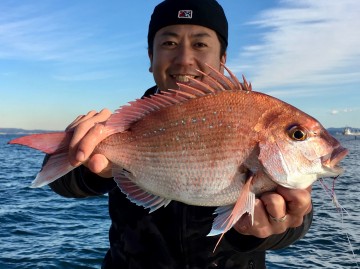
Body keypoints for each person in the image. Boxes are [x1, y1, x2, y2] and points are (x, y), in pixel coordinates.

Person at [49, 0, 313, 268]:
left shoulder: (255, 119)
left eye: (200, 44)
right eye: (169, 44)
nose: (185, 59)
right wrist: (81, 158)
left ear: (222, 60)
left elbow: (299, 222)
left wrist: (270, 228)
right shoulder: (123, 126)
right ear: (151, 58)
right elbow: (63, 184)